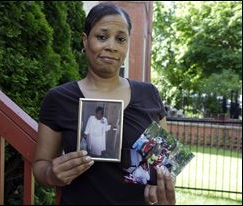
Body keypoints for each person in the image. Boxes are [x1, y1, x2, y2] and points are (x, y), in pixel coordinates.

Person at [33, 2, 176, 205]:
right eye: (102, 37)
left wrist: (162, 183)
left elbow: (165, 162)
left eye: (120, 39)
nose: (111, 46)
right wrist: (51, 174)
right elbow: (40, 166)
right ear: (85, 40)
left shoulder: (149, 94)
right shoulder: (58, 99)